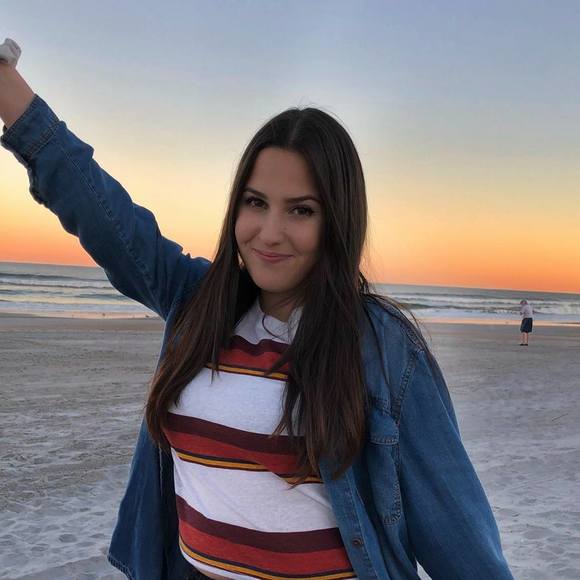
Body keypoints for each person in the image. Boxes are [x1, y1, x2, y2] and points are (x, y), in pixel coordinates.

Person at [0, 38, 515, 580]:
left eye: (301, 210)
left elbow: (458, 530)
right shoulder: (194, 299)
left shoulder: (380, 346)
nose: (270, 232)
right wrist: (9, 87)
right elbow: (102, 211)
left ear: (337, 220)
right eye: (255, 202)